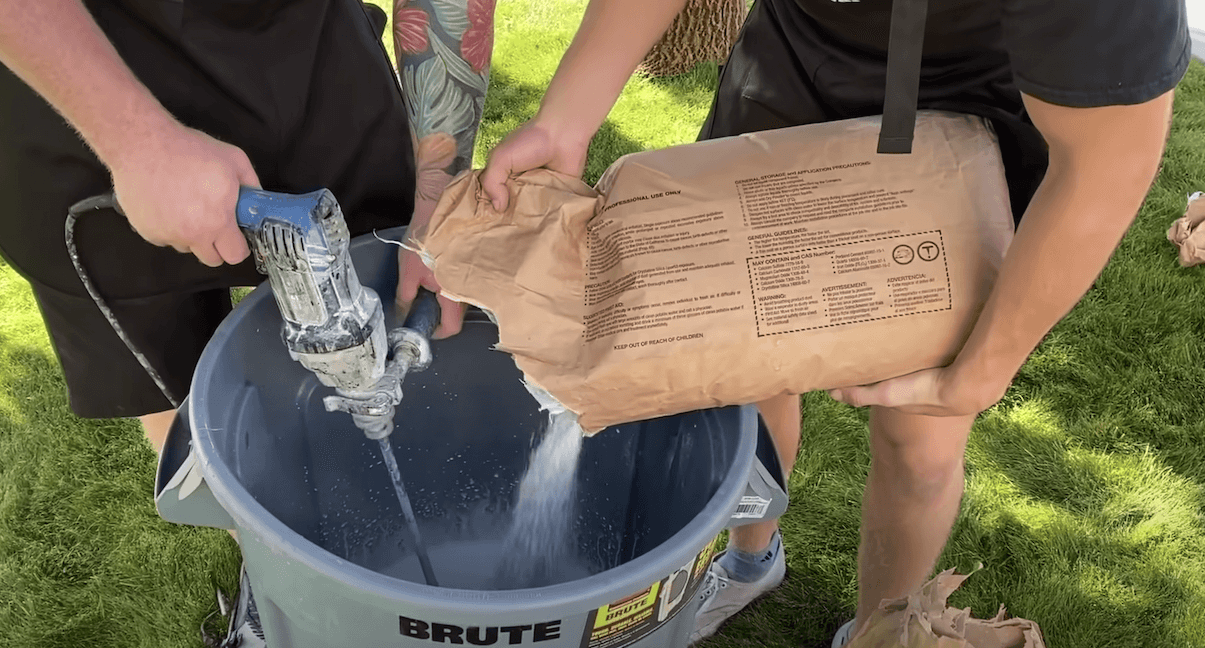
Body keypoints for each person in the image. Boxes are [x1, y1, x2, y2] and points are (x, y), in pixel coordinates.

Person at [479, 0, 1187, 645]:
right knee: (739, 362)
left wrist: (982, 370)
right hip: (798, 57)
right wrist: (562, 120)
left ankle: (881, 628)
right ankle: (752, 559)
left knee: (921, 434)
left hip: (974, 106)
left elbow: (1110, 157)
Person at [0, 0, 492, 643]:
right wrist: (135, 139)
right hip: (73, 71)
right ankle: (280, 571)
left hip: (301, 55)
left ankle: (356, 549)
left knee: (386, 278)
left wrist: (438, 195)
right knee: (172, 371)